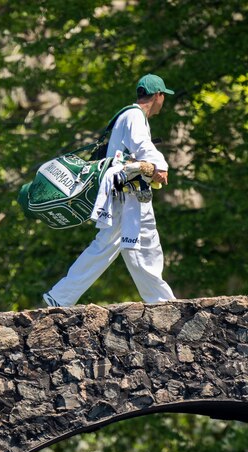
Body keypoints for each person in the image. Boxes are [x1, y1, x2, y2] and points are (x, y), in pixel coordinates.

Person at [43, 74, 176, 307]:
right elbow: (141, 144)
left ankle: (61, 296)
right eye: (164, 96)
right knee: (140, 242)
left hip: (126, 189)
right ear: (158, 95)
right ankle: (161, 301)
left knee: (112, 244)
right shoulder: (134, 115)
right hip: (128, 191)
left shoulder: (130, 115)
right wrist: (160, 165)